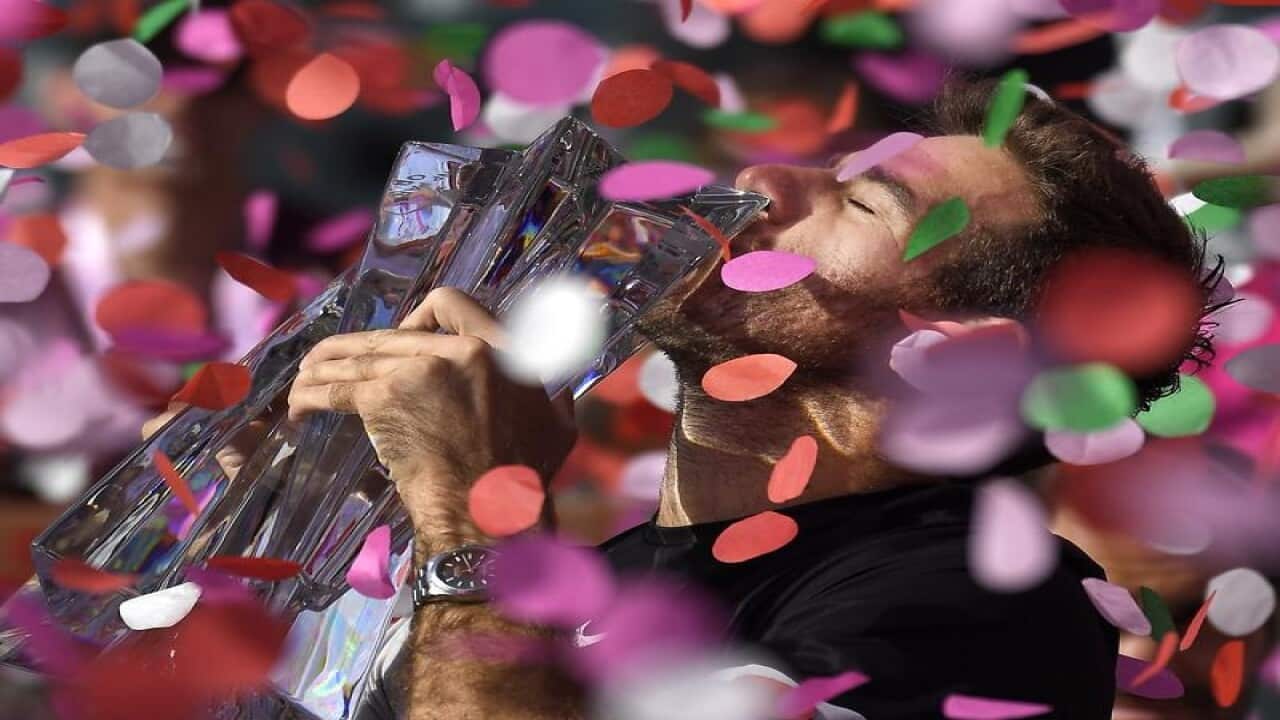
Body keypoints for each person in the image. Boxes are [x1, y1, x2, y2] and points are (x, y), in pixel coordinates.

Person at [276, 77, 1222, 719]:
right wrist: (274, 553)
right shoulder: (608, 574)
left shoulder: (992, 614)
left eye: (860, 204)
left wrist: (474, 519)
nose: (760, 181)